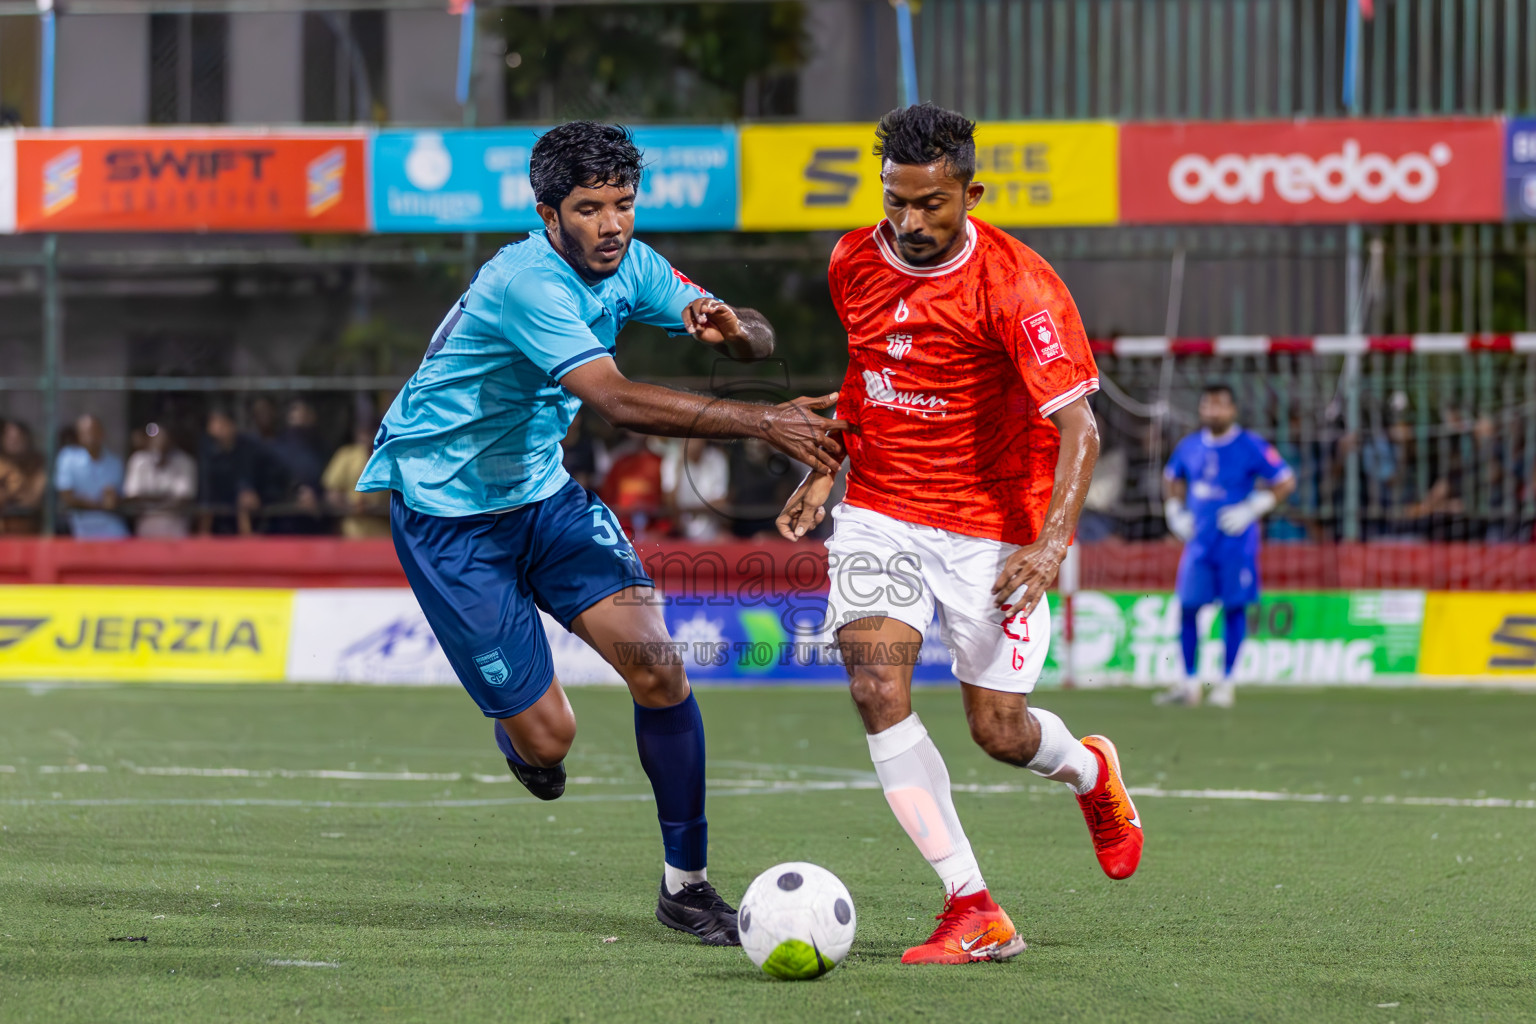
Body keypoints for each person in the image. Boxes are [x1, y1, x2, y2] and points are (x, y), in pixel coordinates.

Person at [356, 121, 848, 947]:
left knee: (658, 667)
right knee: (551, 739)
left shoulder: (634, 262)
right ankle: (525, 741)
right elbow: (615, 398)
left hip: (541, 497)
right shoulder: (527, 282)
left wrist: (738, 330)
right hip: (447, 517)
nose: (611, 224)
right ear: (549, 214)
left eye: (622, 204)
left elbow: (752, 332)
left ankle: (685, 889)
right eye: (589, 209)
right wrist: (764, 420)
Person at [775, 104, 1143, 965]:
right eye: (896, 202)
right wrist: (830, 463)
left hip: (995, 531)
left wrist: (1051, 545)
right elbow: (870, 367)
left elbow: (1082, 429)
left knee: (999, 733)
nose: (910, 223)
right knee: (875, 690)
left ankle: (1091, 771)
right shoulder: (852, 259)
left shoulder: (1020, 284)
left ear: (969, 192)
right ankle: (971, 904)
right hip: (882, 512)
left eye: (931, 204)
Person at [1160, 383, 1296, 707]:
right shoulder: (1190, 446)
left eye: (1219, 405)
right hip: (1199, 544)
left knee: (1234, 608)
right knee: (1188, 607)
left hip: (1236, 544)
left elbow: (1285, 479)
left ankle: (1226, 683)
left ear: (1232, 410)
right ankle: (1190, 683)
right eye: (1208, 405)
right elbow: (1171, 478)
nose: (1213, 411)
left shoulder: (1250, 445)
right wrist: (1174, 511)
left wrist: (1256, 506)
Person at [55, 414, 129, 540]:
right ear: (78, 436)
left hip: (109, 524)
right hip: (77, 523)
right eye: (85, 433)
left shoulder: (114, 462)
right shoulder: (67, 458)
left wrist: (113, 499)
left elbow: (118, 497)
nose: (90, 437)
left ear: (102, 433)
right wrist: (100, 506)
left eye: (93, 431)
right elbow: (67, 497)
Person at [123, 422, 197, 538]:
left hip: (175, 522)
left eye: (164, 437)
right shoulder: (138, 461)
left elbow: (183, 499)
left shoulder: (185, 462)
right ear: (148, 440)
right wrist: (167, 497)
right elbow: (134, 497)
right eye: (156, 436)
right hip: (146, 521)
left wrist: (150, 498)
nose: (160, 441)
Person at [198, 408, 262, 536]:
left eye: (222, 423)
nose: (218, 428)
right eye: (214, 423)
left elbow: (245, 481)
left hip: (241, 511)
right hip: (215, 512)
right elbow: (207, 490)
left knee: (246, 497)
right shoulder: (207, 451)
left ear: (232, 426)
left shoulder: (246, 448)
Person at [322, 423, 391, 538]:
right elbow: (332, 492)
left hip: (384, 531)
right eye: (364, 433)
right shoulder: (346, 455)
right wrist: (350, 507)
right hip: (352, 530)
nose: (368, 437)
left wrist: (379, 509)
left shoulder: (391, 458)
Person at [661, 438, 729, 540]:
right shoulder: (672, 460)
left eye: (695, 439)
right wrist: (679, 468)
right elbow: (669, 503)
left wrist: (688, 510)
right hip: (680, 533)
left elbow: (720, 503)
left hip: (712, 532)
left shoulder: (717, 459)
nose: (692, 443)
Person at [0, 419, 47, 534]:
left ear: (27, 439)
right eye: (9, 438)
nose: (13, 443)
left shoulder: (38, 462)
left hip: (32, 530)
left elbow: (34, 499)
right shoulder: (2, 464)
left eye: (17, 439)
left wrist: (11, 491)